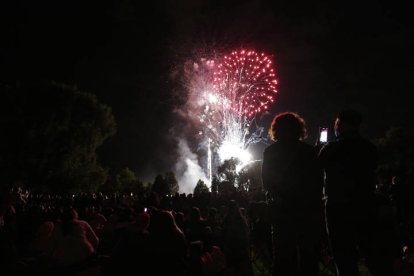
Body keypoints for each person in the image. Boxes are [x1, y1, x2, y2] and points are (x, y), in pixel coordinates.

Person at [318, 109, 394, 276]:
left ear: (342, 124)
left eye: (337, 123)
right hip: (365, 202)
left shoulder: (330, 149)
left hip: (337, 206)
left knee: (343, 255)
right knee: (372, 252)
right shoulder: (368, 147)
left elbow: (317, 171)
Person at [262, 112, 324, 276]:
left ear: (276, 129)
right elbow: (318, 182)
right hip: (307, 210)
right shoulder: (309, 151)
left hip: (282, 210)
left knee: (282, 258)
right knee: (308, 257)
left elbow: (267, 182)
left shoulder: (270, 152)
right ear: (299, 129)